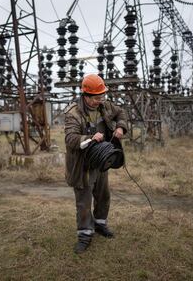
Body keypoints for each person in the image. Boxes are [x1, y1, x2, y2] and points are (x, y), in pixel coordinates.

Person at [64, 73, 128, 254]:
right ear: (86, 95)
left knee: (104, 195)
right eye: (96, 97)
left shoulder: (104, 106)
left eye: (102, 96)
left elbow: (121, 112)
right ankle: (85, 235)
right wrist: (89, 138)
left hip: (101, 161)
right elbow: (70, 138)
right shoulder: (73, 113)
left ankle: (100, 224)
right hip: (83, 165)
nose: (100, 100)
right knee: (84, 202)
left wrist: (121, 127)